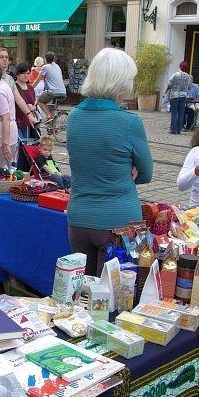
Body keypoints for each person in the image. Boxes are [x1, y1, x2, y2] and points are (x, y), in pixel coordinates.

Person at [66, 48, 153, 277]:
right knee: (114, 298)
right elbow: (145, 174)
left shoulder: (73, 117)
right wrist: (127, 168)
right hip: (118, 222)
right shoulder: (130, 123)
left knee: (81, 294)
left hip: (79, 218)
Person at [35, 52, 67, 123]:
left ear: (45, 59)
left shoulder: (45, 67)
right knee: (51, 108)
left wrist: (31, 87)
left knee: (40, 100)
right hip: (63, 92)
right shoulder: (57, 66)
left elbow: (38, 79)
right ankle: (52, 128)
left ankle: (48, 115)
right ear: (54, 59)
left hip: (53, 92)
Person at [165, 61, 194, 134]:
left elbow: (169, 84)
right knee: (181, 113)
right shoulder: (188, 76)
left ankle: (173, 129)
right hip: (183, 96)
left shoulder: (175, 75)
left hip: (174, 95)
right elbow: (190, 86)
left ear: (180, 67)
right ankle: (179, 130)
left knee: (174, 112)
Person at [13, 62, 38, 145]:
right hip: (16, 121)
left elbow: (34, 104)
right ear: (17, 74)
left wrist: (33, 108)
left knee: (25, 146)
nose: (26, 75)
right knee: (19, 146)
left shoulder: (31, 88)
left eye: (27, 73)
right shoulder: (13, 87)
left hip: (27, 122)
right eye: (23, 73)